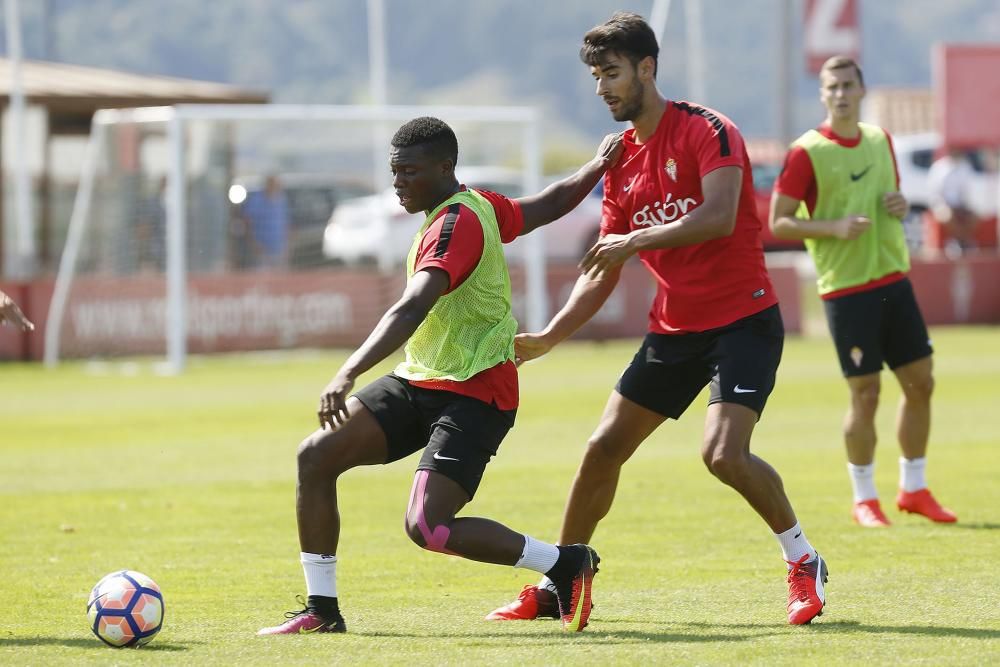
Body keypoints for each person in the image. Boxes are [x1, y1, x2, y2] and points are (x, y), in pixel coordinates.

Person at [486, 12, 827, 627]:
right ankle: (563, 577)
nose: (602, 89)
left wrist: (637, 239)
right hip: (675, 329)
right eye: (595, 77)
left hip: (743, 321)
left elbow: (721, 215)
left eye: (611, 73)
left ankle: (803, 561)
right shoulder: (619, 160)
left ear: (647, 68)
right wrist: (550, 335)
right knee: (601, 448)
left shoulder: (710, 131)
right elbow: (603, 265)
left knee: (723, 455)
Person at [257, 116, 624, 635]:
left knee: (428, 527)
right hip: (423, 379)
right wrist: (596, 166)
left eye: (409, 171)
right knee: (316, 456)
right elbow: (547, 204)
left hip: (476, 391)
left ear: (445, 167)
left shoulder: (458, 224)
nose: (397, 182)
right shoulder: (478, 205)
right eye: (394, 171)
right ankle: (323, 610)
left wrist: (349, 370)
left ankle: (565, 563)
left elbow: (410, 307)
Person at [769, 55, 956, 528]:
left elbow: (890, 200)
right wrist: (832, 227)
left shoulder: (880, 139)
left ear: (861, 90)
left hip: (893, 277)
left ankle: (914, 488)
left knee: (921, 383)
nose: (840, 94)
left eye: (848, 85)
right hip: (846, 289)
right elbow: (778, 222)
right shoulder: (806, 150)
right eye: (831, 87)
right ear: (823, 94)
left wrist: (899, 203)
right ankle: (864, 498)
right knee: (866, 393)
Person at [927, 148, 981, 256]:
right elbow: (935, 193)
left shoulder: (965, 167)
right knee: (949, 216)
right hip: (942, 205)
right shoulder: (939, 167)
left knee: (975, 215)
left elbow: (967, 191)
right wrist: (943, 206)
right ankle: (957, 242)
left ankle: (963, 241)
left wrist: (965, 206)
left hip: (960, 204)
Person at [241, 174, 290, 270]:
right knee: (260, 277)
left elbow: (285, 224)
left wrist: (286, 246)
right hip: (261, 249)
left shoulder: (282, 200)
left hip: (278, 249)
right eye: (273, 184)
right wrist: (253, 243)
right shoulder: (256, 200)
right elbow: (247, 222)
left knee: (279, 279)